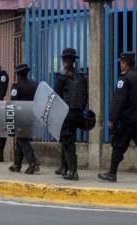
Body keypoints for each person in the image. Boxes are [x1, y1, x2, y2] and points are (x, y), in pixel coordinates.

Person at [98, 52, 137, 183]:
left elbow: (118, 100)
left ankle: (112, 174)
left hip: (126, 121)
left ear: (125, 63)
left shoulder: (124, 79)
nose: (120, 65)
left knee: (118, 146)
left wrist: (112, 119)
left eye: (121, 62)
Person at [55, 48, 87, 181]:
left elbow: (56, 94)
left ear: (64, 59)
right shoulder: (81, 75)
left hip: (66, 113)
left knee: (68, 143)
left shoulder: (63, 75)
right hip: (77, 113)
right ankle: (64, 167)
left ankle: (73, 171)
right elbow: (86, 95)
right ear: (74, 60)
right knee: (67, 139)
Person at [8, 64, 39, 174]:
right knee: (20, 140)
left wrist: (10, 119)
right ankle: (17, 165)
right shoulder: (34, 85)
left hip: (20, 116)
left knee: (22, 140)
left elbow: (13, 103)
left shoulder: (16, 86)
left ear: (18, 74)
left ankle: (33, 163)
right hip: (31, 116)